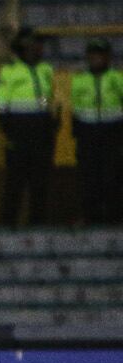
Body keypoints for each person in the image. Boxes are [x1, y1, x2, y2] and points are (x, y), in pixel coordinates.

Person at [0, 28, 58, 227]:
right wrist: (11, 133)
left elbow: (48, 99)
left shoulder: (46, 70)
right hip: (20, 133)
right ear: (23, 48)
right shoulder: (10, 72)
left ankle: (38, 225)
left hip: (42, 132)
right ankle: (8, 225)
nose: (39, 49)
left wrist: (51, 125)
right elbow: (2, 107)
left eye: (40, 45)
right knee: (15, 184)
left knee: (40, 184)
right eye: (35, 45)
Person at [71, 38, 123, 224]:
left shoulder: (117, 78)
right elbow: (75, 106)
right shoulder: (79, 79)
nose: (96, 59)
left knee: (113, 177)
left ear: (108, 57)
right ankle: (90, 217)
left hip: (113, 133)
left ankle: (114, 218)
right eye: (93, 55)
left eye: (100, 55)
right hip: (87, 133)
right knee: (89, 178)